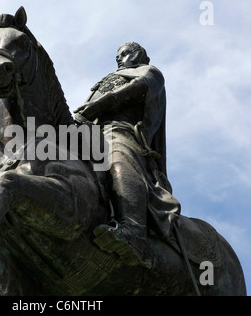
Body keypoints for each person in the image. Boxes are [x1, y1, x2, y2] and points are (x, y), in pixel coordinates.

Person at [74, 42, 181, 265]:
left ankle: (133, 233)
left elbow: (142, 86)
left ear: (137, 54)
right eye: (117, 56)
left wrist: (102, 104)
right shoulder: (103, 81)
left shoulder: (149, 72)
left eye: (124, 54)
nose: (119, 59)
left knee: (117, 157)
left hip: (121, 131)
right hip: (88, 133)